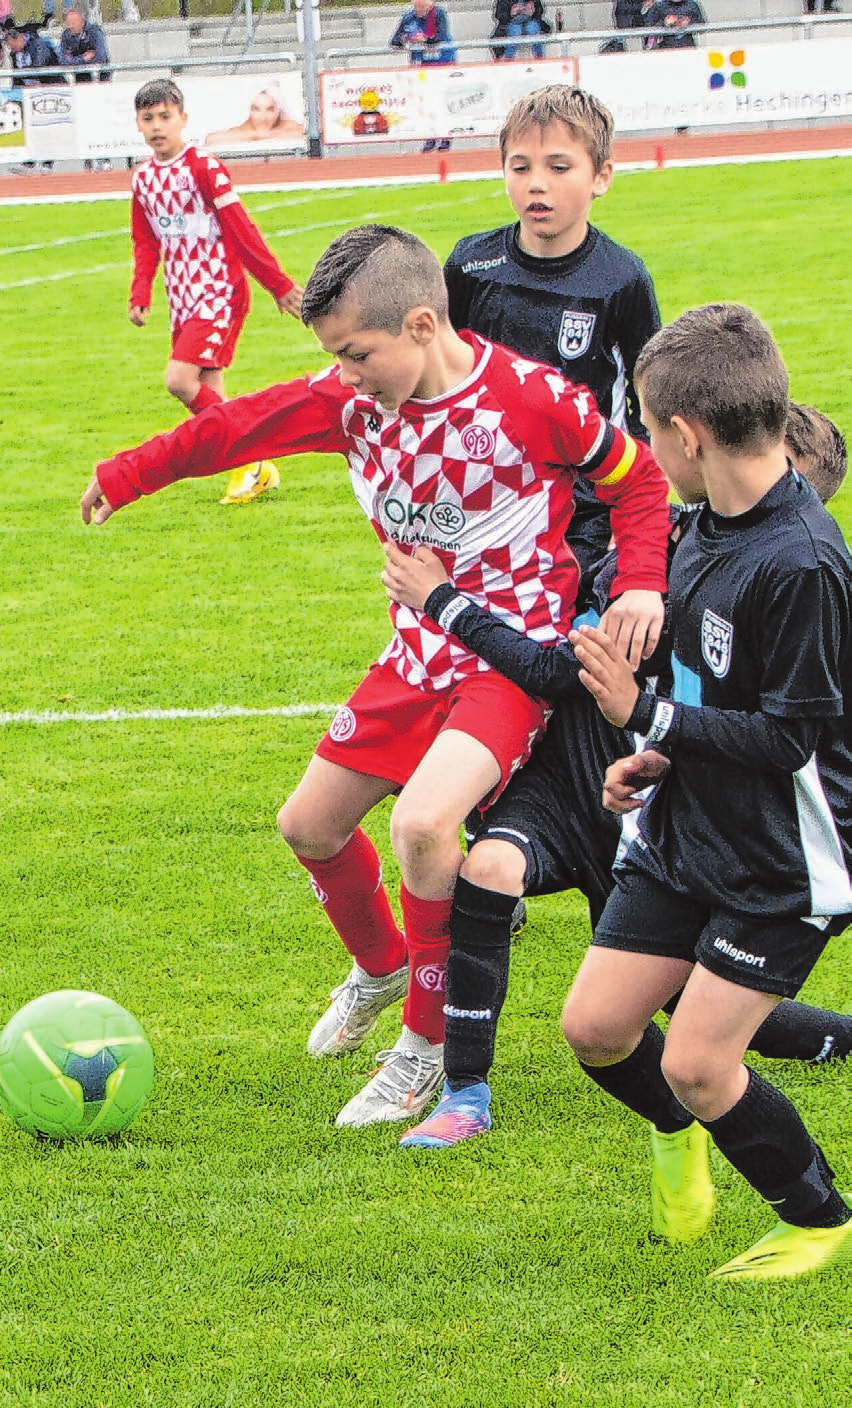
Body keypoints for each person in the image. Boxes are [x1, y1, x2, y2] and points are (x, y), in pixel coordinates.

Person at [80, 223, 671, 1130]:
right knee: (308, 827)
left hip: (508, 660)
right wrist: (126, 476)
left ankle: (426, 1049)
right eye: (335, 358)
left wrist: (637, 584)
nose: (345, 376)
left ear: (425, 324)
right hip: (415, 655)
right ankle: (386, 964)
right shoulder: (351, 403)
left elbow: (636, 481)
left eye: (357, 354)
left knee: (427, 827)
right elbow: (233, 430)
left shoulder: (532, 399)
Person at [380, 400, 852, 1150]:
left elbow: (556, 669)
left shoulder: (766, 581)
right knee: (493, 868)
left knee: (681, 1010)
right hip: (570, 781)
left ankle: (835, 1045)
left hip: (636, 805)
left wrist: (442, 601)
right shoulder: (679, 538)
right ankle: (465, 1091)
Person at [558, 303, 852, 1281]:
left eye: (647, 428)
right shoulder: (701, 525)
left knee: (696, 1059)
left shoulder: (804, 563)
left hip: (783, 857)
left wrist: (644, 717)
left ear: (687, 434)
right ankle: (678, 1131)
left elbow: (791, 739)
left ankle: (818, 1219)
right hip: (690, 823)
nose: (646, 446)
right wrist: (662, 759)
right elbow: (713, 691)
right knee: (596, 1028)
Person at [444, 85, 661, 574]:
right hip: (482, 498)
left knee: (567, 641)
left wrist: (631, 516)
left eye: (558, 168)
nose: (536, 184)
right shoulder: (470, 264)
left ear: (601, 176)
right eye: (520, 167)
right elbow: (437, 377)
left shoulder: (622, 279)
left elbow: (646, 407)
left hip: (583, 512)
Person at [129, 78, 303, 506]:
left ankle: (255, 457)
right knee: (211, 392)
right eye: (148, 118)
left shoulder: (203, 167)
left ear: (183, 119)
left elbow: (239, 227)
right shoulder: (143, 178)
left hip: (219, 292)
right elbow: (146, 240)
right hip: (183, 299)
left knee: (178, 379)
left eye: (165, 117)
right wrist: (141, 293)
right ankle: (249, 473)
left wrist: (277, 285)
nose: (157, 126)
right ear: (138, 124)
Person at [389, 0, 456, 152]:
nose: (418, 10)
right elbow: (395, 41)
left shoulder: (438, 14)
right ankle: (430, 136)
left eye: (422, 7)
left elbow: (440, 36)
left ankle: (445, 136)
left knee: (441, 100)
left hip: (441, 63)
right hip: (421, 65)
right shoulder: (408, 17)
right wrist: (406, 39)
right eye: (416, 6)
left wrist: (424, 39)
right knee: (425, 102)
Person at [59, 3, 111, 170]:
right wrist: (83, 59)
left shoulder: (95, 32)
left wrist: (78, 59)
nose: (70, 26)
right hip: (81, 82)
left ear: (82, 21)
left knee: (101, 118)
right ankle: (88, 158)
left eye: (73, 22)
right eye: (68, 22)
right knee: (84, 119)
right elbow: (63, 60)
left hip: (100, 81)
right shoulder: (66, 35)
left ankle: (105, 157)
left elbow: (100, 57)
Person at [205, 86, 304, 149]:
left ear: (278, 112)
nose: (263, 117)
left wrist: (264, 135)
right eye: (257, 109)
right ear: (250, 112)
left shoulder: (287, 125)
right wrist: (256, 135)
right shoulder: (244, 129)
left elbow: (307, 134)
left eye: (269, 109)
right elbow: (210, 139)